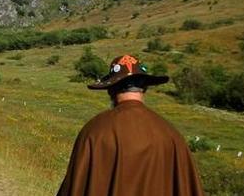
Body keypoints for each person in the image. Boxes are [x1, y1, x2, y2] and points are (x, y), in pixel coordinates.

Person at [57, 54, 204, 196]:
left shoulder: (94, 131)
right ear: (145, 88)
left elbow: (75, 187)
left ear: (111, 90)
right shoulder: (171, 135)